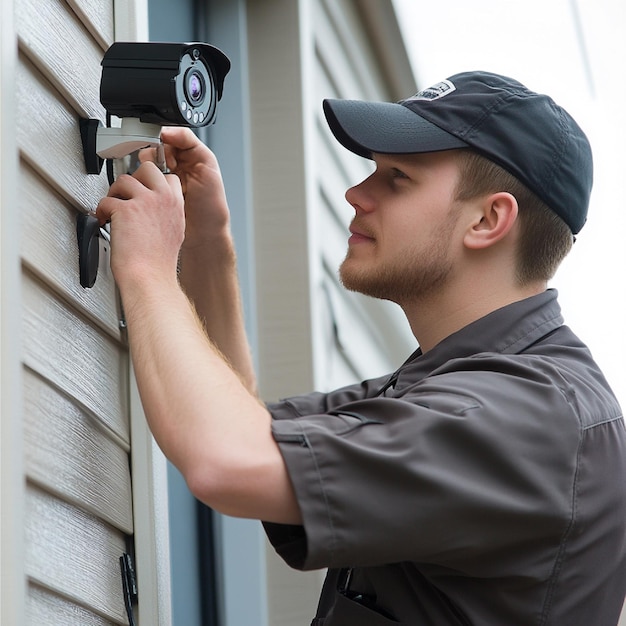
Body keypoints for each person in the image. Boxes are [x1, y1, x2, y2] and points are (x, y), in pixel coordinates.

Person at [96, 71, 626, 625]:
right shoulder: (455, 382)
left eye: (396, 178)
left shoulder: (526, 418)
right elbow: (241, 429)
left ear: (489, 220)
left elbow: (229, 463)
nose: (355, 194)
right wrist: (206, 239)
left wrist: (148, 270)